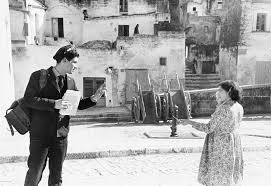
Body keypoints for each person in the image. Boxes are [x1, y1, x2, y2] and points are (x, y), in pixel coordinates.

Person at [23, 45, 105, 186]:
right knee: (35, 173)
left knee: (56, 177)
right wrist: (54, 103)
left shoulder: (71, 81)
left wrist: (93, 99)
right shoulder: (39, 76)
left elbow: (77, 104)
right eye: (74, 62)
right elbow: (29, 100)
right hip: (40, 135)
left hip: (61, 136)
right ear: (65, 61)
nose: (76, 66)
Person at [178, 80, 244, 186]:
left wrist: (190, 122)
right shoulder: (238, 106)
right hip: (233, 143)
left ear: (229, 91)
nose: (217, 93)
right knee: (227, 175)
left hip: (221, 145)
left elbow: (208, 128)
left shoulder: (224, 108)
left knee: (217, 176)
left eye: (220, 90)